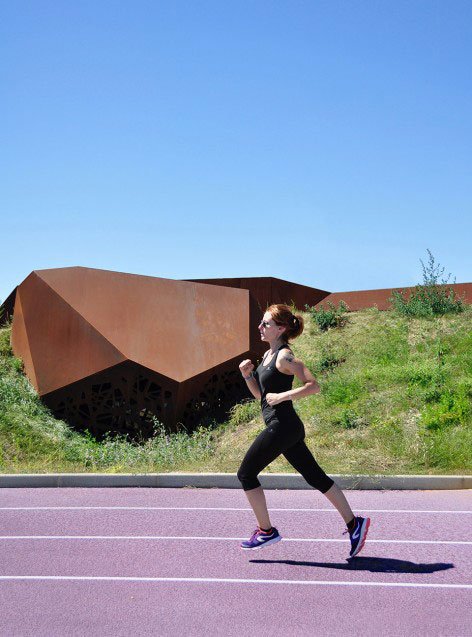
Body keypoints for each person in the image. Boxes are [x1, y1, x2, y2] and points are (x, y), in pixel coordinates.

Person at [237, 303, 370, 558]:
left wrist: (285, 395)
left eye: (266, 324)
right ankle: (355, 524)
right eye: (261, 323)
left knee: (246, 474)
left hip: (283, 426)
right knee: (316, 477)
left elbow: (313, 385)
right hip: (286, 428)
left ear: (281, 329)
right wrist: (248, 376)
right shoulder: (266, 356)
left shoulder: (285, 356)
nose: (260, 327)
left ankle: (266, 531)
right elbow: (263, 398)